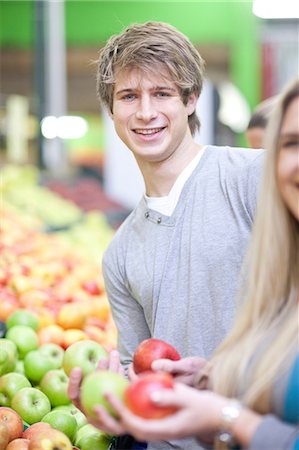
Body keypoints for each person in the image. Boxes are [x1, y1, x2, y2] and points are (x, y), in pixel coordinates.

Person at [70, 79, 299, 450]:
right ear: (111, 111)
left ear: (191, 100)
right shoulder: (119, 252)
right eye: (128, 96)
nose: (145, 112)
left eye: (162, 93)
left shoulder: (256, 179)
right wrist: (112, 403)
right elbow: (141, 375)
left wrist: (226, 411)